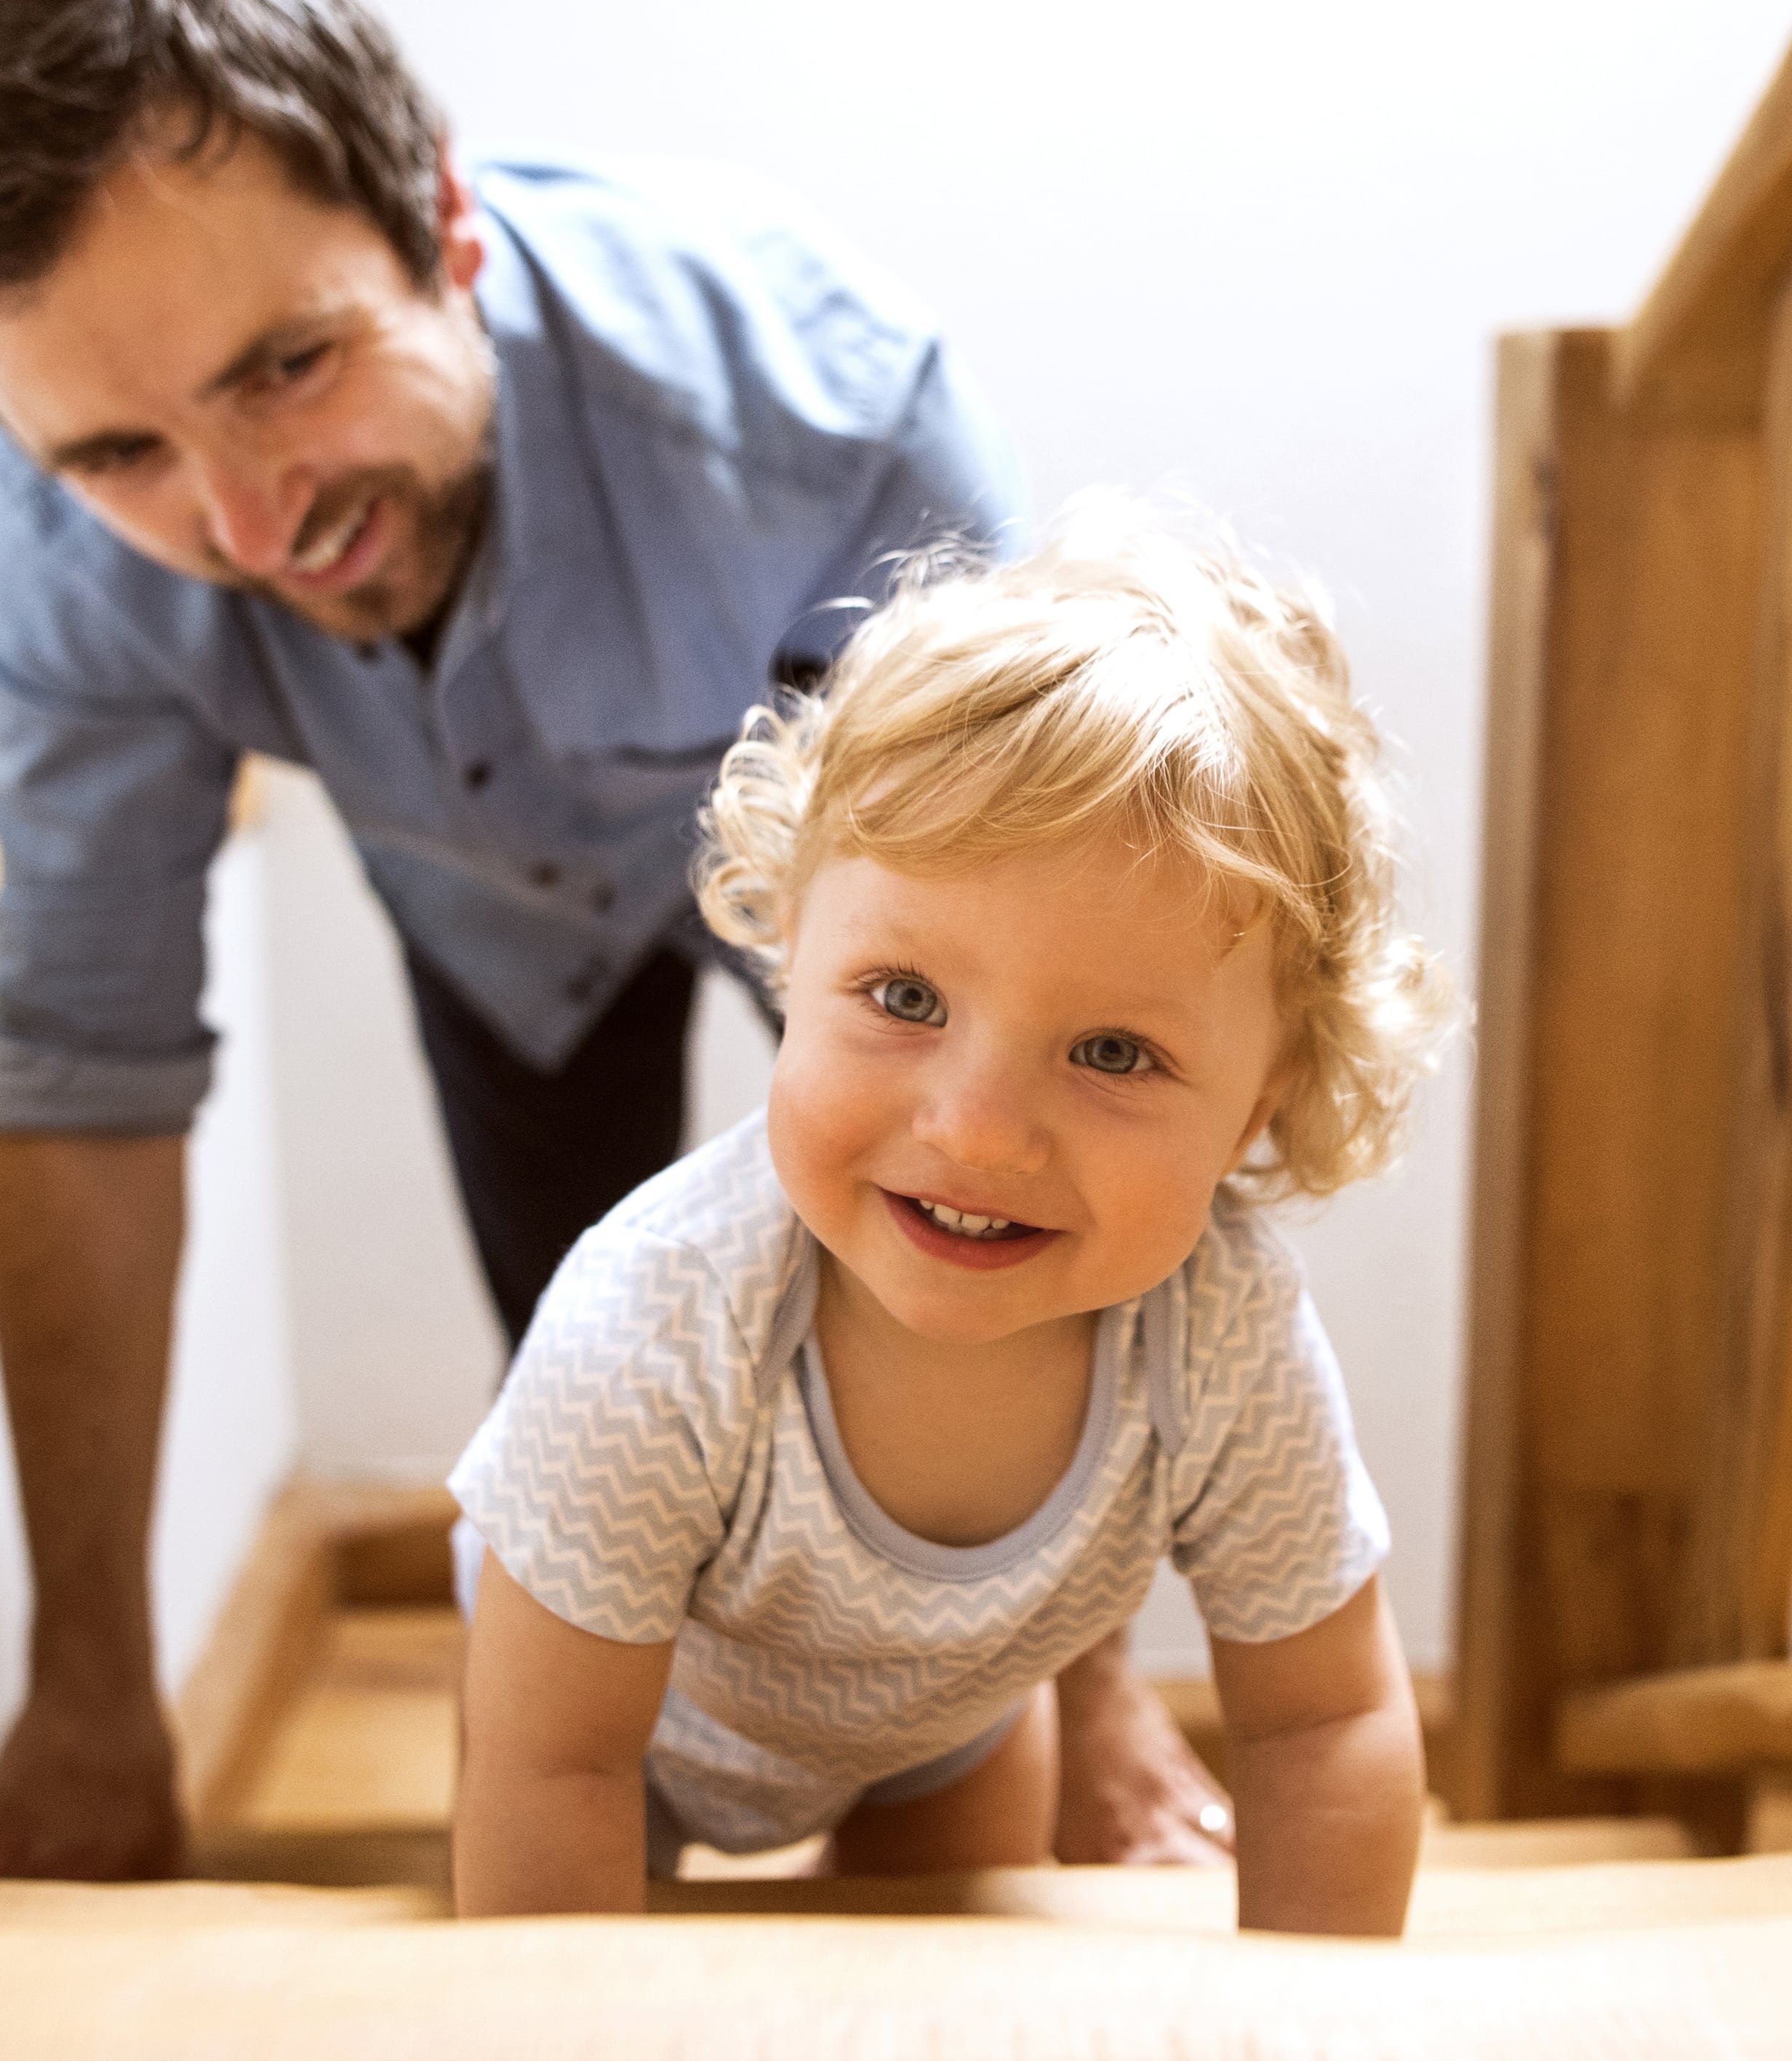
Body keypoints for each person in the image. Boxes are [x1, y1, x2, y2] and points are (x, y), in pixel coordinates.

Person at [0, 0, 1237, 1879]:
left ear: (444, 221)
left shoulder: (826, 413)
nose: (246, 519)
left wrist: (1101, 1694)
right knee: (601, 1407)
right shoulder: (71, 558)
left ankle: (1028, 1726)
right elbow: (85, 1081)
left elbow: (1052, 1055)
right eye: (120, 453)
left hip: (873, 873)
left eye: (287, 367)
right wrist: (85, 1700)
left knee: (959, 1221)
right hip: (498, 928)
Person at [449, 506, 1445, 1932]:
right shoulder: (658, 1317)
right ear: (789, 944)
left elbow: (1319, 1725)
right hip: (610, 1716)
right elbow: (551, 1768)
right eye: (905, 997)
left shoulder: (1223, 1334)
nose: (976, 1129)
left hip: (947, 1723)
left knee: (949, 1983)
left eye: (1112, 1051)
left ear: (1259, 1101)